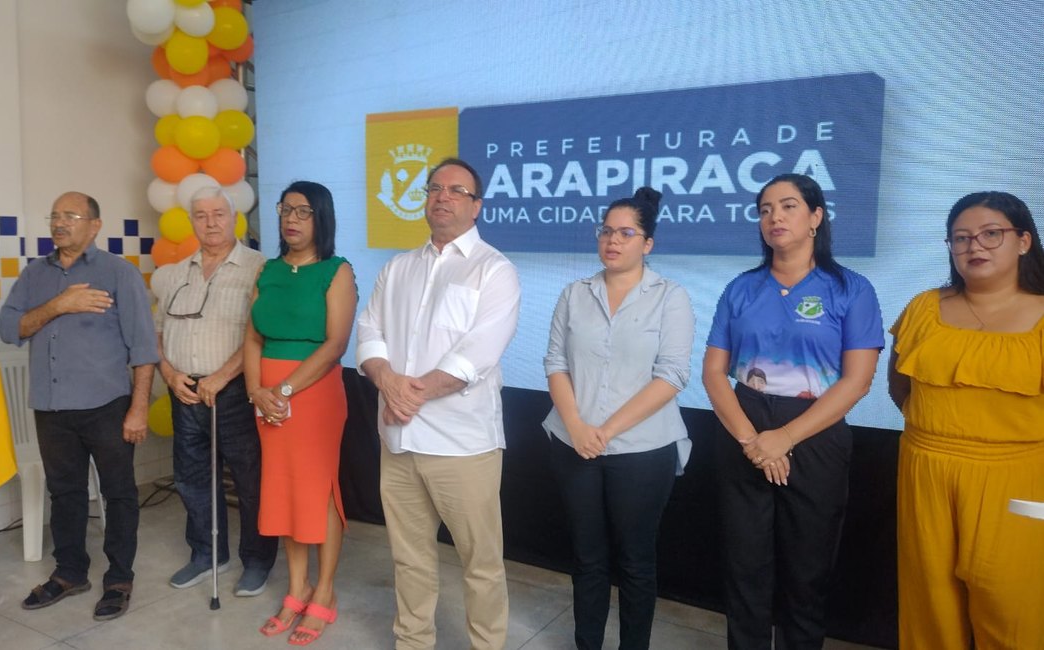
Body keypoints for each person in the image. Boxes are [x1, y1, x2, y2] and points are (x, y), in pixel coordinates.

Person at [701, 173, 883, 649]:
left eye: (787, 206)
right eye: (765, 210)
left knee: (806, 575)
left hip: (815, 434)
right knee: (745, 571)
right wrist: (752, 440)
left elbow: (858, 381)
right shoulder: (741, 288)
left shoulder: (850, 289)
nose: (774, 217)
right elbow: (714, 373)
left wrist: (784, 438)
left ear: (816, 217)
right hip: (742, 428)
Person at [357, 157, 521, 650]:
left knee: (481, 564)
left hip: (462, 446)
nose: (442, 197)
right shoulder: (397, 268)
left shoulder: (494, 270)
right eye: (434, 188)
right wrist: (386, 379)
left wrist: (407, 394)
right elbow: (369, 331)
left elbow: (479, 353)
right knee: (408, 559)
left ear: (477, 206)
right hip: (399, 440)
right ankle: (413, 642)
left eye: (456, 190)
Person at [888, 191, 1044, 648]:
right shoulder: (923, 307)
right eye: (961, 238)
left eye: (991, 234)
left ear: (1023, 241)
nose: (975, 246)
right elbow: (900, 387)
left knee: (1010, 603)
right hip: (926, 469)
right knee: (930, 600)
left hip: (1019, 479)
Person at [543, 187, 694, 649]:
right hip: (574, 444)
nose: (613, 240)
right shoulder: (575, 294)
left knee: (635, 562)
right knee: (587, 559)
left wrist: (605, 431)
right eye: (606, 231)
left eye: (626, 233)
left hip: (643, 451)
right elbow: (556, 363)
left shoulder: (670, 297)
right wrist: (576, 426)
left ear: (647, 244)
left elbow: (672, 375)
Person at [0, 191, 157, 620]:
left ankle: (119, 578)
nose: (60, 222)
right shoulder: (35, 275)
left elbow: (144, 347)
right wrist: (58, 306)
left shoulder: (118, 273)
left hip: (107, 405)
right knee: (65, 493)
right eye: (55, 215)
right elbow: (10, 328)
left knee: (118, 493)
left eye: (71, 215)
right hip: (51, 408)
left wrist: (139, 408)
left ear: (94, 225)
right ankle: (69, 573)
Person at [150, 186, 277, 597]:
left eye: (219, 214)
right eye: (201, 215)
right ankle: (207, 554)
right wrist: (169, 374)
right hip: (184, 391)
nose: (210, 223)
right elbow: (156, 333)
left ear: (234, 218)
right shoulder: (174, 273)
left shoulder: (259, 268)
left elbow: (262, 333)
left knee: (250, 480)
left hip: (236, 390)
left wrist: (223, 375)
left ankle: (256, 561)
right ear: (191, 222)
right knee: (192, 478)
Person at [244, 181, 356, 645]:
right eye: (285, 210)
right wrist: (256, 391)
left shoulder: (336, 270)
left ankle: (324, 591)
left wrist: (284, 389)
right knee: (283, 490)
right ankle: (297, 588)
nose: (291, 219)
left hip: (313, 396)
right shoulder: (267, 270)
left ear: (321, 218)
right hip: (268, 399)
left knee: (318, 492)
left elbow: (336, 344)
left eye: (303, 211)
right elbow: (253, 336)